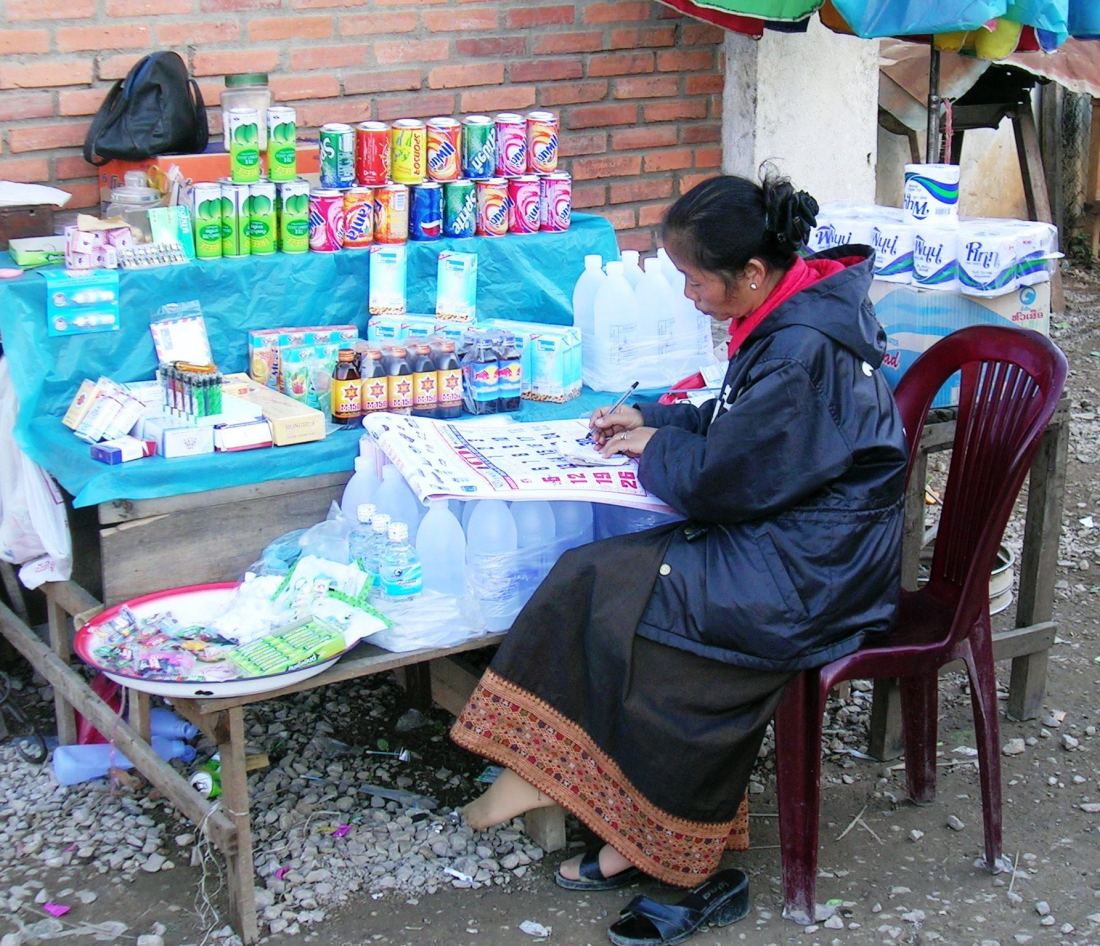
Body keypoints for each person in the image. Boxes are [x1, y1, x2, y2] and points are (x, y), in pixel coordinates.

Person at [450, 172, 909, 945]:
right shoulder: (794, 313)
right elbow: (743, 420)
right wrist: (655, 415)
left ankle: (673, 856)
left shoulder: (800, 347)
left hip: (813, 571)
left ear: (752, 275)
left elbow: (723, 482)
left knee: (647, 617)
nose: (690, 295)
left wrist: (652, 449)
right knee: (593, 573)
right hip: (795, 540)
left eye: (696, 280)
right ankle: (566, 789)